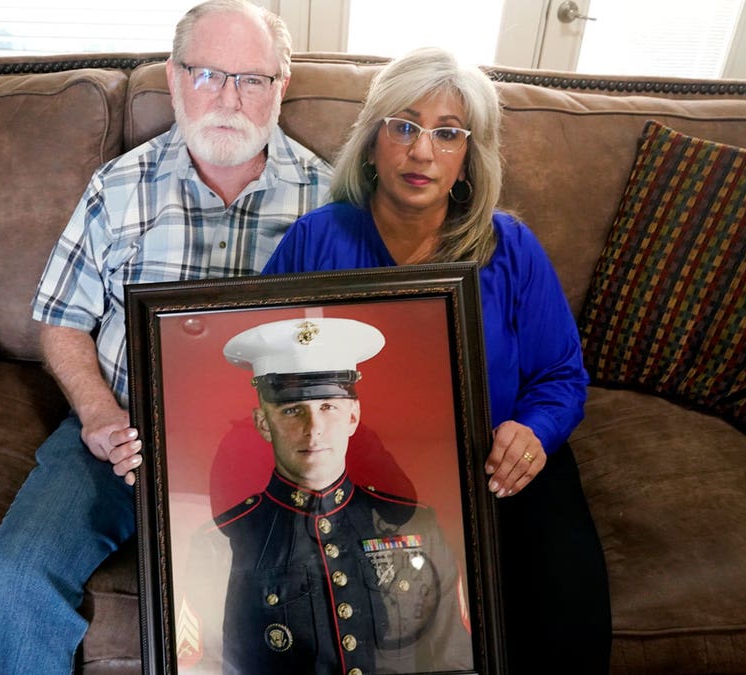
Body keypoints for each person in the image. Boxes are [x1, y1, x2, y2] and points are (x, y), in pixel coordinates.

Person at [0, 2, 333, 672]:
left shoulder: (328, 202)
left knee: (267, 616)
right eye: (209, 74)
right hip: (119, 436)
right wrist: (98, 414)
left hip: (263, 451)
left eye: (250, 79)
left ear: (283, 85)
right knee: (8, 583)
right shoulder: (118, 186)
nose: (228, 98)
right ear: (174, 75)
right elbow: (63, 317)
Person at [260, 47, 612, 672]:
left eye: (447, 134)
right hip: (360, 478)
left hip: (496, 467)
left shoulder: (512, 248)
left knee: (563, 616)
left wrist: (533, 431)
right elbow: (268, 359)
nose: (422, 151)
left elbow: (560, 377)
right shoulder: (316, 239)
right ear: (372, 144)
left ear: (468, 159)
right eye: (404, 126)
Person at [180, 317, 472, 675]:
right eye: (291, 411)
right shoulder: (221, 545)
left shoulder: (416, 524)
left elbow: (453, 661)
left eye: (328, 408)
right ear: (262, 423)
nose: (313, 428)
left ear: (353, 416)